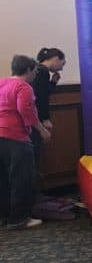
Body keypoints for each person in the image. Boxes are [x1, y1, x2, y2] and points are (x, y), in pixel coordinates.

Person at [0, 55, 51, 228]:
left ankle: (5, 214)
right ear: (28, 70)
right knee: (22, 179)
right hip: (15, 137)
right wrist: (42, 130)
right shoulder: (24, 87)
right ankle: (19, 219)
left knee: (4, 178)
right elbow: (25, 110)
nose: (35, 75)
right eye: (35, 71)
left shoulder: (2, 82)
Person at [30, 47, 65, 166]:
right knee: (35, 151)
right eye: (62, 63)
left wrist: (53, 82)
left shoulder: (38, 70)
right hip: (35, 116)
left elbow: (42, 91)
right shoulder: (43, 71)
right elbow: (42, 98)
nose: (61, 68)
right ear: (55, 59)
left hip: (29, 116)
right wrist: (45, 118)